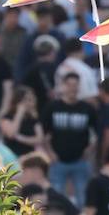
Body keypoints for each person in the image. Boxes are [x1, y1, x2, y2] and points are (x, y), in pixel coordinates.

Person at [42, 72, 96, 206]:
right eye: (70, 85)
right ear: (63, 86)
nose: (73, 88)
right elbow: (44, 134)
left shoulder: (87, 109)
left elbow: (96, 133)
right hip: (58, 160)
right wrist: (50, 153)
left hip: (80, 161)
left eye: (76, 85)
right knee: (55, 200)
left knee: (82, 199)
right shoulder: (53, 107)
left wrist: (89, 150)